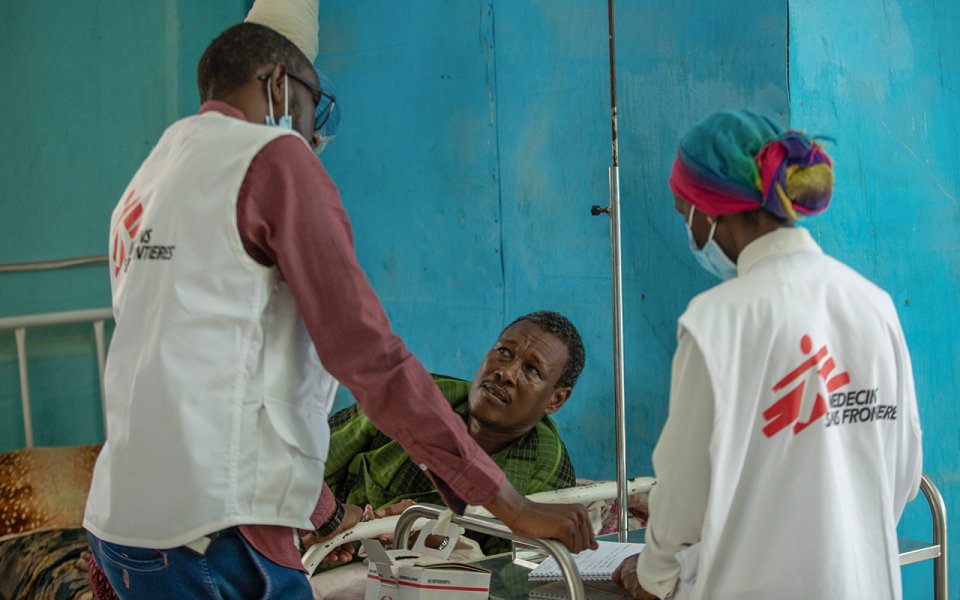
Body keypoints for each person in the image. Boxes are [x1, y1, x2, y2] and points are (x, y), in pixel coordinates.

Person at [82, 21, 594, 600]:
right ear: (279, 86)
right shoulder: (274, 158)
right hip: (213, 531)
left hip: (126, 523)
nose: (314, 133)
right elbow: (367, 353)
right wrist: (508, 503)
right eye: (310, 105)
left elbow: (213, 373)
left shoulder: (152, 175)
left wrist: (326, 515)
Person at [612, 109, 922, 600]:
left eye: (682, 212)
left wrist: (652, 575)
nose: (689, 232)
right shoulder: (872, 304)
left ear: (708, 211)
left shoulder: (719, 319)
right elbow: (902, 474)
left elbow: (683, 498)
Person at [323, 310, 586, 556]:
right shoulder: (415, 397)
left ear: (556, 399)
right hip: (321, 546)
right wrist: (330, 517)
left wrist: (443, 542)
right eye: (504, 351)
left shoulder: (546, 468)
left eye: (532, 370)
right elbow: (312, 463)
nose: (505, 372)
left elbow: (515, 575)